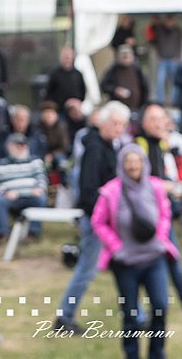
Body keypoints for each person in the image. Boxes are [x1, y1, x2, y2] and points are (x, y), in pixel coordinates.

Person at [92, 144, 179, 359]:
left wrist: (160, 238)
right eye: (128, 162)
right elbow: (98, 222)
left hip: (154, 259)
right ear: (122, 165)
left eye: (136, 161)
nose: (132, 165)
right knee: (130, 315)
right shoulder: (110, 192)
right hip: (126, 263)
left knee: (160, 306)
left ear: (144, 163)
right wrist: (116, 247)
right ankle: (132, 355)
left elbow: (165, 216)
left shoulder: (156, 187)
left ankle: (156, 353)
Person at [55, 101, 129, 334]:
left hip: (109, 220)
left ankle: (136, 313)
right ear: (103, 122)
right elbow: (88, 191)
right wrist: (106, 211)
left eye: (122, 125)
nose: (119, 129)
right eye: (115, 123)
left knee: (126, 266)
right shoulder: (95, 148)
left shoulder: (108, 146)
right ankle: (64, 318)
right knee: (87, 269)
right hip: (97, 221)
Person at [136, 105, 182, 316]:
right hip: (144, 215)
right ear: (144, 123)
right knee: (145, 263)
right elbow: (137, 180)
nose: (160, 123)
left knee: (171, 257)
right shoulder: (139, 145)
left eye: (162, 118)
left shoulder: (160, 144)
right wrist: (165, 186)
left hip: (160, 212)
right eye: (154, 119)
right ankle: (143, 311)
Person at [0, 134, 48, 241]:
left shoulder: (35, 162)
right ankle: (2, 234)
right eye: (18, 145)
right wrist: (5, 192)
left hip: (31, 195)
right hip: (10, 196)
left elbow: (42, 179)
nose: (22, 148)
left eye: (23, 145)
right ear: (9, 147)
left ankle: (33, 233)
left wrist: (40, 189)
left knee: (41, 198)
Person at [100, 44, 150, 113]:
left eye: (127, 56)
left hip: (137, 108)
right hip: (119, 109)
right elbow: (104, 86)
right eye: (123, 56)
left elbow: (145, 86)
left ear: (132, 57)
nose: (125, 58)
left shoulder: (137, 69)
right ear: (118, 57)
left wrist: (144, 104)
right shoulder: (113, 70)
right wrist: (115, 90)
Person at [44, 46, 87, 119]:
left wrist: (76, 101)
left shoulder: (77, 74)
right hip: (60, 111)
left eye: (68, 56)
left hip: (75, 111)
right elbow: (49, 93)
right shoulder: (55, 74)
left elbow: (83, 91)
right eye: (65, 56)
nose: (67, 58)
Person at [153, 15, 182, 106]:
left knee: (174, 82)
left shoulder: (177, 31)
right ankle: (160, 101)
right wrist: (158, 54)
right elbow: (156, 41)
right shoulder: (160, 30)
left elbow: (179, 44)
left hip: (173, 59)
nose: (169, 23)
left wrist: (177, 56)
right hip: (163, 59)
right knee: (160, 81)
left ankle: (173, 101)